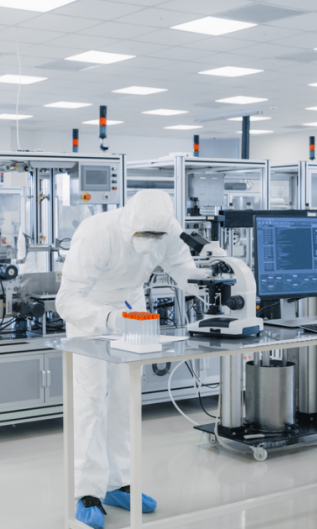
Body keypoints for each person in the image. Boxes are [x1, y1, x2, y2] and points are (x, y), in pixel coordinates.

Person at [55, 189, 205, 529]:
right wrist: (108, 319)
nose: (152, 242)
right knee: (93, 400)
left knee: (124, 399)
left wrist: (209, 276)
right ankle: (87, 490)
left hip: (132, 306)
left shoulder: (168, 231)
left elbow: (184, 268)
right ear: (129, 225)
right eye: (145, 235)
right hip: (90, 311)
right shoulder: (97, 233)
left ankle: (119, 483)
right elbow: (66, 300)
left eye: (158, 235)